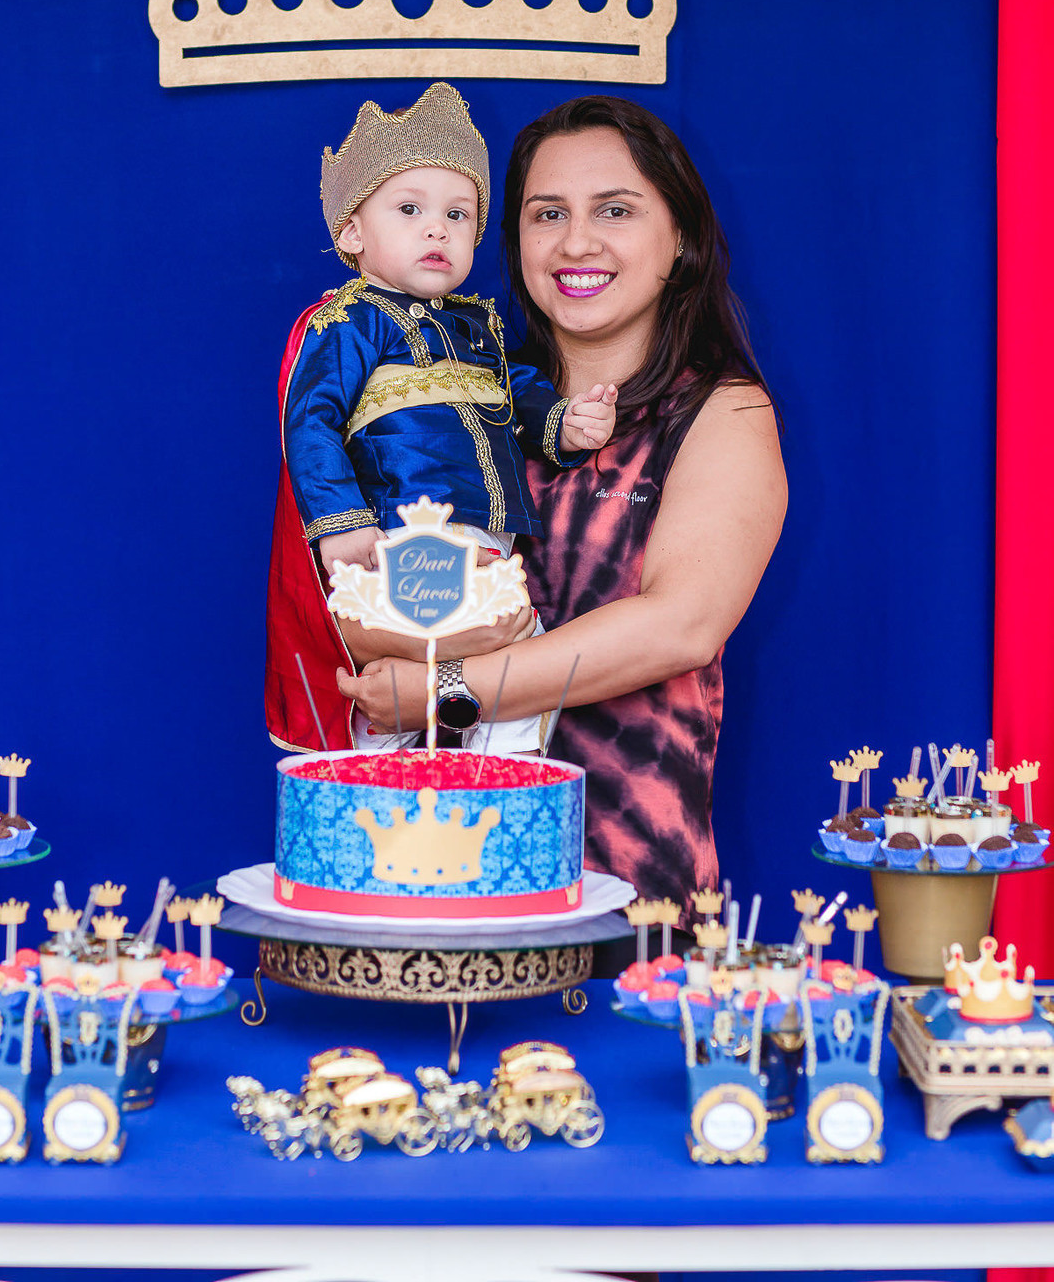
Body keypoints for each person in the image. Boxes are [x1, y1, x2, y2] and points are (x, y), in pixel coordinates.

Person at [336, 94, 787, 913]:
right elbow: (353, 586)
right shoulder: (443, 401)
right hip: (412, 866)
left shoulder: (719, 413)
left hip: (620, 887)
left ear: (679, 236)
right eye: (547, 214)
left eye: (614, 210)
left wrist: (444, 688)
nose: (577, 242)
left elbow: (678, 626)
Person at [268, 82, 617, 756]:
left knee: (498, 657)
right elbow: (309, 422)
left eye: (459, 215)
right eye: (409, 209)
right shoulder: (349, 322)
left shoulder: (478, 327)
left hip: (488, 545)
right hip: (405, 533)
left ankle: (486, 781)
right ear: (351, 231)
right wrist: (341, 524)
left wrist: (564, 426)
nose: (437, 228)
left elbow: (520, 395)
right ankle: (392, 779)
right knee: (503, 645)